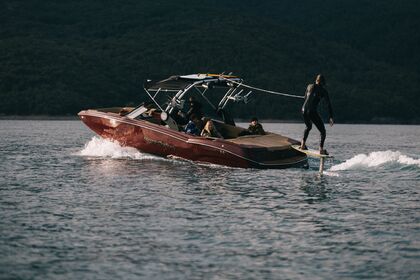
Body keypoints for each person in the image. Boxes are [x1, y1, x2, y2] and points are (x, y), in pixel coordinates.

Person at [300, 74, 334, 155]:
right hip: (312, 111)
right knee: (323, 131)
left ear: (316, 80)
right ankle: (321, 150)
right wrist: (331, 117)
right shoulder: (323, 91)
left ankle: (302, 145)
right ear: (323, 83)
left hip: (303, 110)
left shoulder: (309, 86)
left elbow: (305, 98)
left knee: (308, 126)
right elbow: (328, 104)